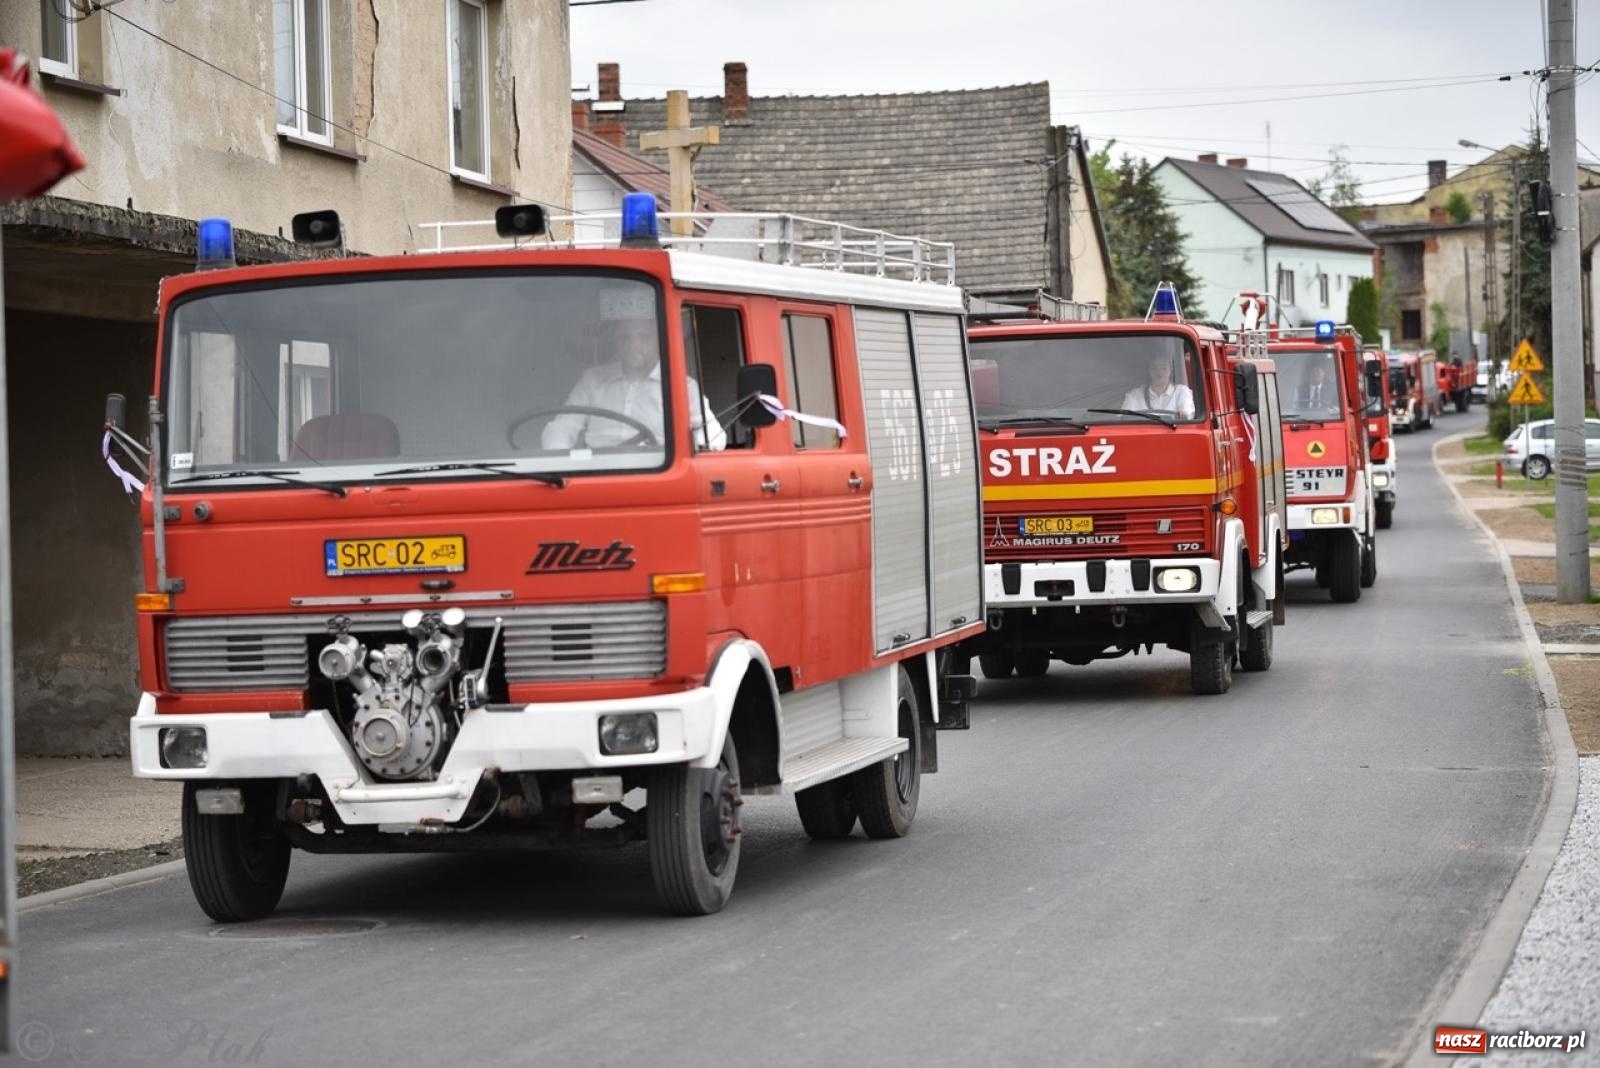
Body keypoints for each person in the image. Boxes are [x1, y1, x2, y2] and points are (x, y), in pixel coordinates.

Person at [542, 287, 726, 451]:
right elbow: (564, 425)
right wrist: (557, 457)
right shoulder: (592, 380)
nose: (633, 345)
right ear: (616, 339)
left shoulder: (681, 386)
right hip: (597, 473)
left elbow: (712, 434)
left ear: (658, 339)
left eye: (643, 337)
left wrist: (701, 447)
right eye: (625, 336)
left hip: (657, 477)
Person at [1121, 350, 1195, 418]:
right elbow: (1124, 418)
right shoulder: (1134, 395)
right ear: (1149, 370)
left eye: (1164, 367)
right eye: (1154, 367)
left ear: (1170, 370)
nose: (1159, 371)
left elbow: (1186, 414)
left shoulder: (1182, 391)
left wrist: (1183, 414)